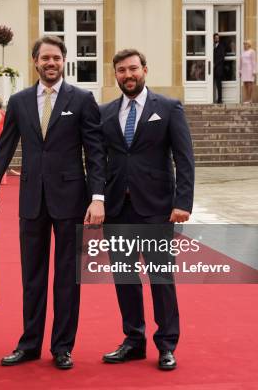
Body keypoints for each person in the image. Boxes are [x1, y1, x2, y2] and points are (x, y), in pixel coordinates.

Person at [0, 35, 106, 370]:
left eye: (56, 58)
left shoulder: (81, 99)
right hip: (32, 201)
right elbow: (3, 149)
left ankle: (62, 346)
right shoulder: (19, 101)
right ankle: (29, 344)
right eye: (44, 58)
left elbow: (95, 152)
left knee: (67, 278)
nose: (51, 63)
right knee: (32, 278)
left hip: (71, 200)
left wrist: (97, 197)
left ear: (64, 61)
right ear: (35, 61)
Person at [99, 49, 194, 371]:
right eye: (122, 70)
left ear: (145, 70)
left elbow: (184, 158)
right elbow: (98, 160)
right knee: (124, 278)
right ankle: (133, 341)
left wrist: (183, 203)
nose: (128, 75)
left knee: (161, 278)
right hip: (117, 207)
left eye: (133, 69)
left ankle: (167, 344)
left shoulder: (167, 108)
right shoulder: (105, 112)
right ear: (115, 75)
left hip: (156, 208)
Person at [213, 33, 226, 103]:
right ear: (213, 39)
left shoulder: (221, 46)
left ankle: (219, 99)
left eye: (218, 38)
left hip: (218, 68)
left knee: (218, 84)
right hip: (211, 69)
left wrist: (215, 64)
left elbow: (222, 57)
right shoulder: (211, 46)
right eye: (215, 38)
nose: (217, 39)